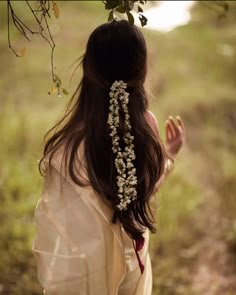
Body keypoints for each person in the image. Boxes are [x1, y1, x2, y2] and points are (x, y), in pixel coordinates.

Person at [32, 20, 185, 295]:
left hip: (89, 268)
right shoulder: (145, 125)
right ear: (141, 70)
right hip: (133, 262)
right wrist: (170, 154)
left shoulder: (68, 143)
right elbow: (145, 189)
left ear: (88, 68)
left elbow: (61, 223)